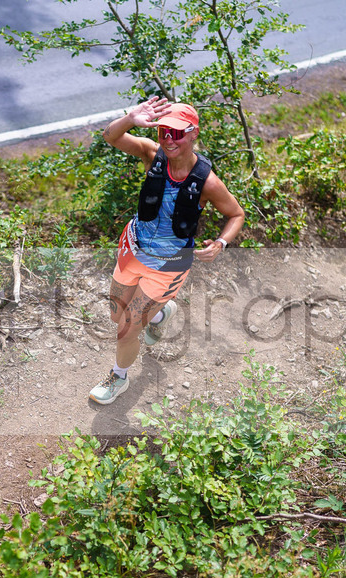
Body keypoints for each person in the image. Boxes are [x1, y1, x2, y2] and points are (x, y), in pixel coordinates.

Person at [88, 97, 244, 405]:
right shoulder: (150, 153)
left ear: (193, 133)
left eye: (177, 133)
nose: (169, 139)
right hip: (132, 248)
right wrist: (131, 118)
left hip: (168, 265)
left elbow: (236, 214)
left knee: (126, 329)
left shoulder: (207, 182)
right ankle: (160, 314)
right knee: (115, 313)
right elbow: (110, 136)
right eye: (163, 132)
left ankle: (118, 376)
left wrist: (221, 242)